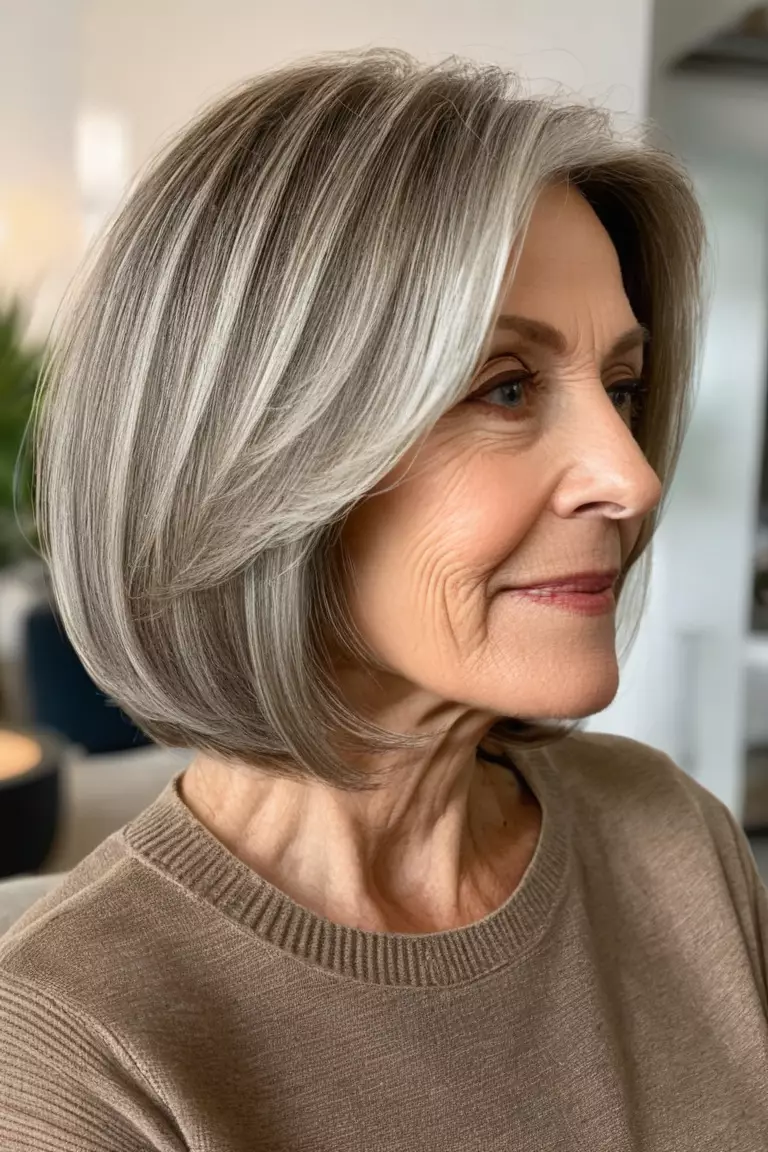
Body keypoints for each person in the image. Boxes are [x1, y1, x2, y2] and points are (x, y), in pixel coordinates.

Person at [2, 49, 767, 1152]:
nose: (634, 475)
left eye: (623, 388)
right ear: (258, 459)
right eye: (504, 388)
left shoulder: (671, 837)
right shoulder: (67, 1047)